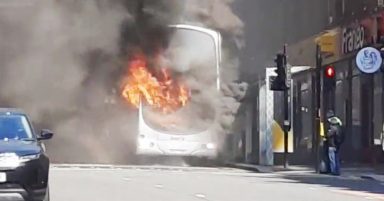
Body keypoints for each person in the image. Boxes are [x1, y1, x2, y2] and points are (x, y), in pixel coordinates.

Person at [326, 110, 343, 175]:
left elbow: (328, 135)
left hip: (332, 145)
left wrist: (328, 132)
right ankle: (337, 171)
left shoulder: (333, 128)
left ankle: (333, 171)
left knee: (332, 159)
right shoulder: (339, 128)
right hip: (337, 145)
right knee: (336, 158)